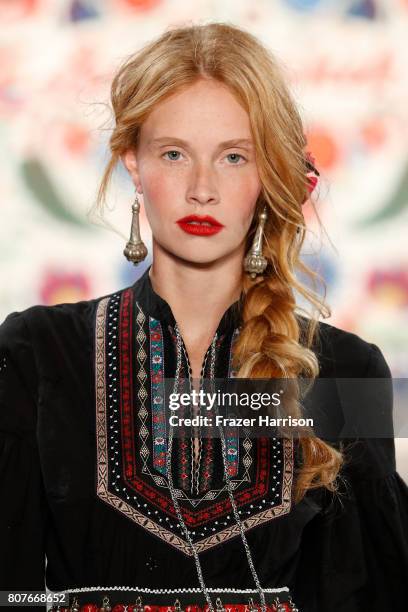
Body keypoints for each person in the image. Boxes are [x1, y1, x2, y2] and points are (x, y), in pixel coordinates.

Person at [1, 21, 407, 612]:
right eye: (173, 154)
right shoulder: (39, 355)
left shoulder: (345, 370)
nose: (201, 189)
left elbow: (373, 594)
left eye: (233, 157)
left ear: (267, 175)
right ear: (133, 165)